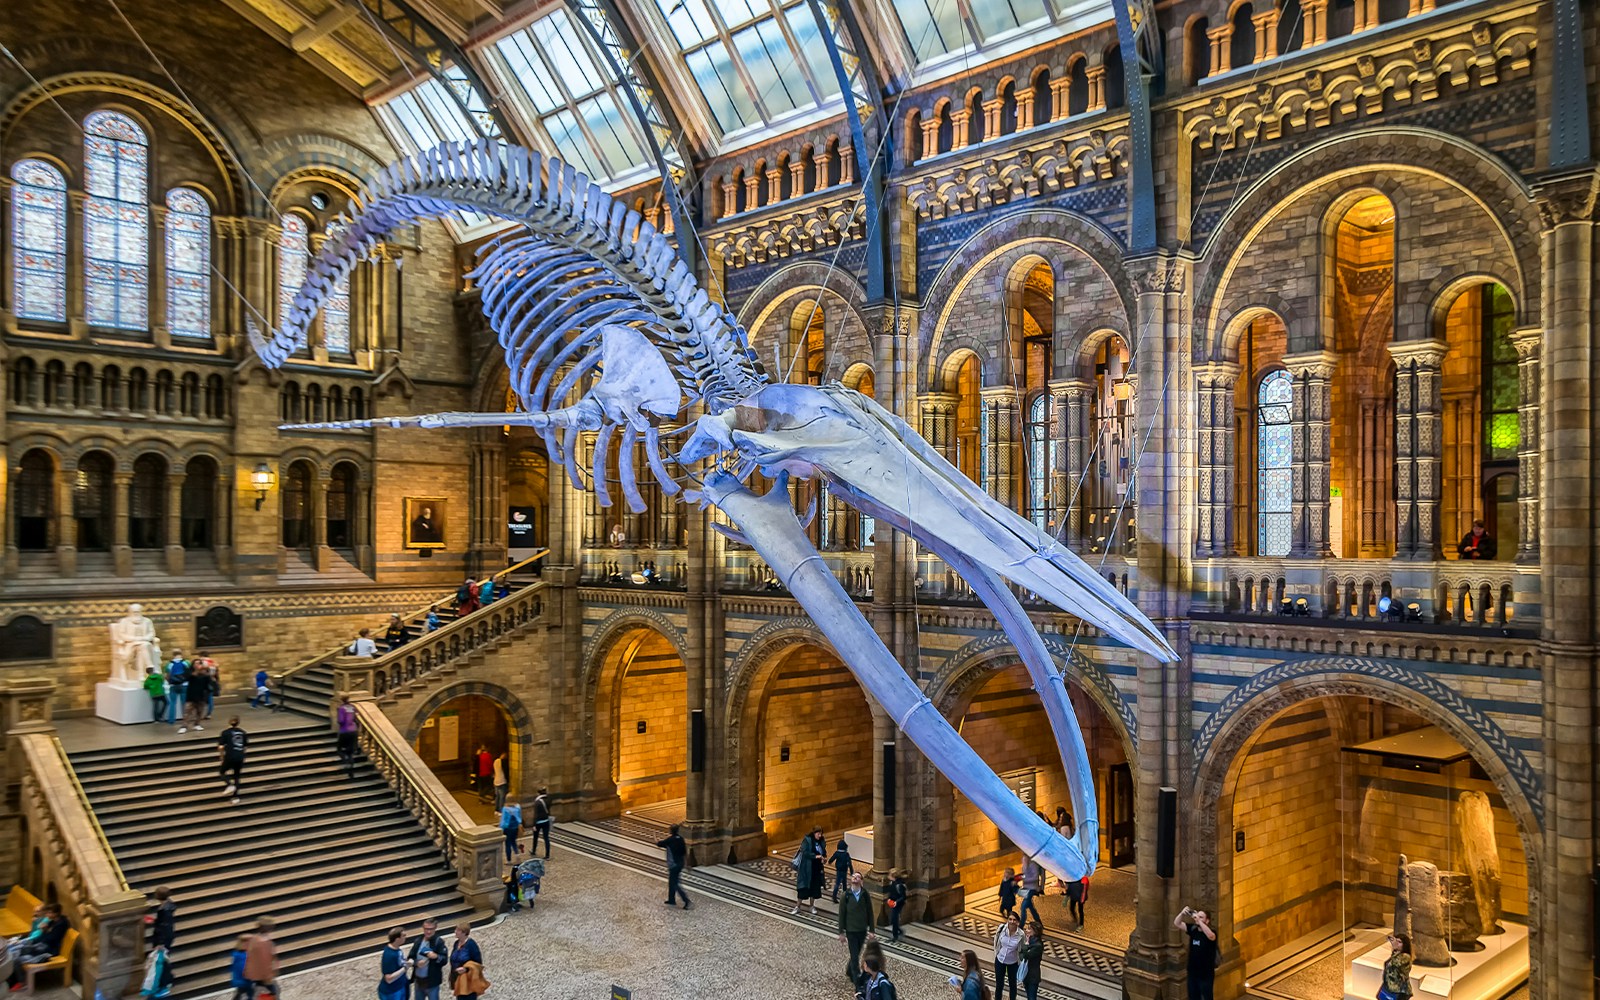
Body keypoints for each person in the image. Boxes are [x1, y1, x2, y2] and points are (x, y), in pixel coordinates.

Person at [7, 904, 68, 989]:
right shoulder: (52, 922)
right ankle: (12, 981)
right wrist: (44, 930)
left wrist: (45, 931)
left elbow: (50, 939)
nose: (47, 914)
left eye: (49, 913)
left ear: (56, 913)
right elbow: (42, 936)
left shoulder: (61, 925)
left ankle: (21, 981)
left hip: (48, 950)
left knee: (17, 959)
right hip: (41, 945)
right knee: (13, 953)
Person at [836, 871, 878, 985]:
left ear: (861, 881)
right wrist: (841, 932)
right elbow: (842, 914)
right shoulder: (846, 895)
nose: (855, 878)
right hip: (851, 930)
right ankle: (857, 980)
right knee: (854, 956)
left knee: (856, 953)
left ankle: (849, 970)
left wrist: (872, 930)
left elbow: (870, 912)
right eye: (853, 876)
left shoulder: (865, 894)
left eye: (858, 877)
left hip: (862, 930)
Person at [1174, 906, 1217, 1000]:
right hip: (1192, 972)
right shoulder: (1193, 929)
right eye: (1197, 916)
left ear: (1207, 920)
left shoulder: (1212, 932)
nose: (1198, 918)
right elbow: (1177, 923)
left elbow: (1211, 936)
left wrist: (1199, 921)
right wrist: (1182, 913)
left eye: (1201, 917)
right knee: (1193, 997)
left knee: (1206, 997)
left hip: (1205, 974)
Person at [239, 917, 279, 999]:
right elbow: (272, 956)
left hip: (254, 971)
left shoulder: (253, 939)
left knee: (251, 987)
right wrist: (274, 969)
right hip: (262, 972)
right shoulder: (267, 942)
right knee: (270, 988)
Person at [408, 918, 447, 1000]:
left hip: (432, 982)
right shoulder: (418, 941)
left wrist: (436, 956)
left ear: (435, 928)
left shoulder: (439, 942)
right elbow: (411, 957)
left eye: (431, 929)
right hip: (418, 981)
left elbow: (444, 960)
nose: (428, 931)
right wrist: (416, 963)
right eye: (426, 929)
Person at [656, 824, 692, 909]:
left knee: (675, 884)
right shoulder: (681, 839)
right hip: (680, 863)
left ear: (671, 831)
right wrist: (687, 864)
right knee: (672, 882)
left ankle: (686, 900)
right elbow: (685, 852)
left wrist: (655, 836)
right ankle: (671, 899)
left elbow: (659, 843)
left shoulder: (670, 840)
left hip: (673, 865)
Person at [791, 826, 825, 915]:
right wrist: (815, 856)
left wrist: (823, 858)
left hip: (816, 869)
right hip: (806, 868)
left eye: (821, 834)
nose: (820, 835)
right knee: (803, 888)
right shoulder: (807, 840)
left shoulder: (821, 841)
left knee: (814, 888)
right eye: (818, 834)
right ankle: (798, 906)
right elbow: (805, 852)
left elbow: (823, 852)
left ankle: (811, 906)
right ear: (814, 833)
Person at [447, 923, 484, 1000]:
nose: (455, 932)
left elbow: (478, 963)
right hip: (458, 979)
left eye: (458, 930)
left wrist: (466, 969)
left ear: (464, 932)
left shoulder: (471, 945)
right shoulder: (456, 943)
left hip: (468, 980)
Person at [992, 912, 1024, 1000]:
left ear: (1018, 922)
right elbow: (996, 940)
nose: (1012, 921)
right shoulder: (1002, 928)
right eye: (1010, 919)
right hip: (1000, 960)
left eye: (1014, 920)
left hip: (1013, 962)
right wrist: (996, 952)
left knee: (1012, 985)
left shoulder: (1021, 934)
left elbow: (1022, 948)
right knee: (999, 984)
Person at [218, 716, 248, 804]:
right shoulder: (243, 732)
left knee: (222, 772)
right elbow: (245, 747)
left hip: (230, 756)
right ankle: (235, 797)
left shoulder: (225, 732)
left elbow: (221, 747)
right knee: (236, 776)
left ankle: (229, 785)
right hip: (240, 756)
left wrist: (222, 757)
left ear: (229, 722)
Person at [179, 661, 213, 734]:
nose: (198, 665)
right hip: (191, 695)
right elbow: (186, 678)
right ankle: (184, 726)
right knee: (187, 711)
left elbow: (208, 682)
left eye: (199, 663)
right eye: (196, 663)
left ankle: (197, 724)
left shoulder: (204, 673)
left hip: (201, 695)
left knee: (200, 711)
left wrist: (207, 673)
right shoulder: (190, 672)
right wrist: (197, 671)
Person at [1379, 933, 1413, 1000]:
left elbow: (1394, 963)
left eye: (1399, 942)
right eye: (1396, 941)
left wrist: (1394, 946)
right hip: (1391, 987)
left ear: (1405, 945)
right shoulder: (1396, 954)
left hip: (1400, 991)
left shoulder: (1405, 957)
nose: (1396, 944)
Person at [379, 926, 410, 1000]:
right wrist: (405, 967)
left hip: (400, 986)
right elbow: (388, 978)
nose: (405, 937)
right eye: (403, 936)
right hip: (392, 992)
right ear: (397, 939)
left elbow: (399, 962)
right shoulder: (389, 955)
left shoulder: (397, 949)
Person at [1018, 920, 1044, 1000]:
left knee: (1031, 997)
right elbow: (1021, 954)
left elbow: (1026, 955)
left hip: (1032, 976)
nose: (1026, 930)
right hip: (1026, 973)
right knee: (1029, 995)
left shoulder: (1037, 945)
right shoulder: (1029, 941)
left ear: (1035, 932)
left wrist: (1026, 945)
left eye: (1029, 929)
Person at [335, 693, 359, 776]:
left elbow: (341, 721)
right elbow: (355, 718)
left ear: (341, 700)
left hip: (345, 731)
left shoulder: (341, 708)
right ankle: (351, 766)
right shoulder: (352, 707)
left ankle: (345, 760)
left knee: (339, 749)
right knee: (351, 750)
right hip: (353, 730)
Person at [148, 886, 177, 953]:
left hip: (162, 938)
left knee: (160, 955)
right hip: (168, 935)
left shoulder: (164, 910)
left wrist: (160, 943)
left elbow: (164, 926)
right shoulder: (169, 905)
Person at [164, 651, 189, 725]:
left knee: (172, 703)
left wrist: (169, 682)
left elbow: (167, 675)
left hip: (173, 685)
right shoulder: (186, 662)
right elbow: (189, 673)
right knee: (184, 703)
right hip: (184, 685)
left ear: (173, 655)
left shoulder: (169, 664)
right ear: (181, 655)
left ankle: (171, 720)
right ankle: (185, 719)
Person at [828, 838, 856, 902]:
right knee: (844, 883)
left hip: (838, 870)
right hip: (844, 870)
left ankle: (834, 896)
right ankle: (845, 896)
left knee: (837, 883)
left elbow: (832, 858)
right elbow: (849, 863)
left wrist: (830, 861)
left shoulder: (837, 853)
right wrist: (851, 871)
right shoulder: (846, 854)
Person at [1017, 857, 1043, 927]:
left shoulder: (1034, 864)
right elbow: (1024, 873)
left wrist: (1025, 879)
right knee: (1031, 907)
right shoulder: (1024, 859)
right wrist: (1020, 878)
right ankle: (1039, 922)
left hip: (1032, 888)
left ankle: (1021, 926)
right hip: (1026, 888)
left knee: (1023, 907)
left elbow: (1035, 878)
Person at [884, 869, 908, 942]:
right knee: (893, 919)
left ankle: (895, 936)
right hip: (893, 902)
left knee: (894, 919)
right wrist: (889, 899)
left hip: (898, 904)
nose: (888, 876)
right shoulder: (892, 883)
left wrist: (896, 902)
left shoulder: (899, 885)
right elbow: (891, 893)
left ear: (893, 876)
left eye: (889, 875)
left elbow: (903, 897)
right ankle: (899, 930)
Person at [227, 935, 251, 1000]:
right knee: (249, 993)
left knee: (241, 992)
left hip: (239, 979)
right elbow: (243, 969)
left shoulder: (236, 953)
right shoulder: (243, 955)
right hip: (244, 980)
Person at [530, 787, 552, 858]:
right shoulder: (549, 799)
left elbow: (536, 814)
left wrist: (534, 824)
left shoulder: (537, 802)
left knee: (535, 837)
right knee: (546, 838)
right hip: (546, 820)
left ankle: (533, 850)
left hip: (538, 822)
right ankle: (547, 855)